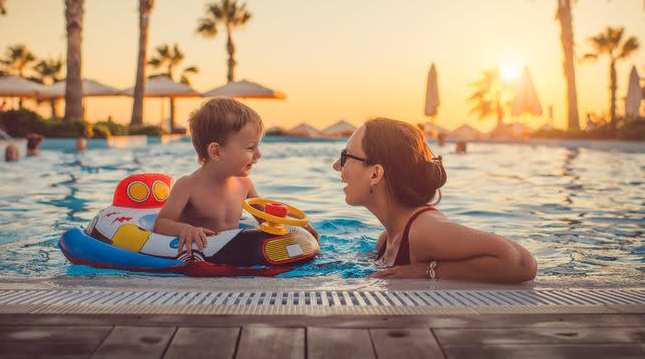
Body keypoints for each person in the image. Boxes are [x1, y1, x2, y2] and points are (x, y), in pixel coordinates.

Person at [333, 118, 536, 283]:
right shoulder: (386, 240)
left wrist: (429, 271)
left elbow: (520, 262)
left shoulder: (423, 230)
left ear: (376, 173)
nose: (336, 166)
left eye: (346, 156)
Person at [154, 97, 318, 258]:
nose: (259, 154)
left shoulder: (244, 184)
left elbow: (264, 218)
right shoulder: (188, 186)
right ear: (216, 152)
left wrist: (297, 225)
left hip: (233, 254)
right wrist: (186, 230)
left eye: (258, 146)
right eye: (250, 148)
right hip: (203, 257)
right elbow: (161, 223)